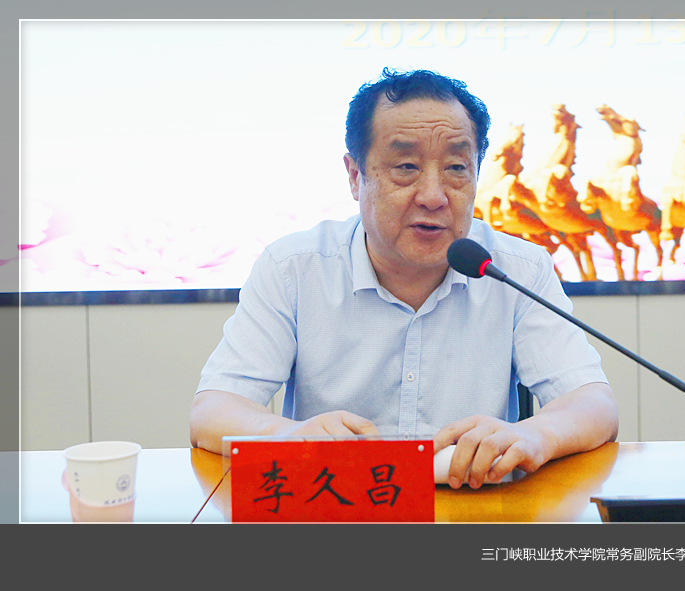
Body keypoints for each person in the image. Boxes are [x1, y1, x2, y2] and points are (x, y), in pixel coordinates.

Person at [190, 67, 618, 489]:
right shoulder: (293, 268)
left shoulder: (517, 268)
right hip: (336, 508)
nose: (433, 196)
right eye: (406, 166)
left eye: (456, 168)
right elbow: (213, 410)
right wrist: (286, 435)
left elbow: (593, 404)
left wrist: (536, 434)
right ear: (355, 176)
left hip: (473, 507)